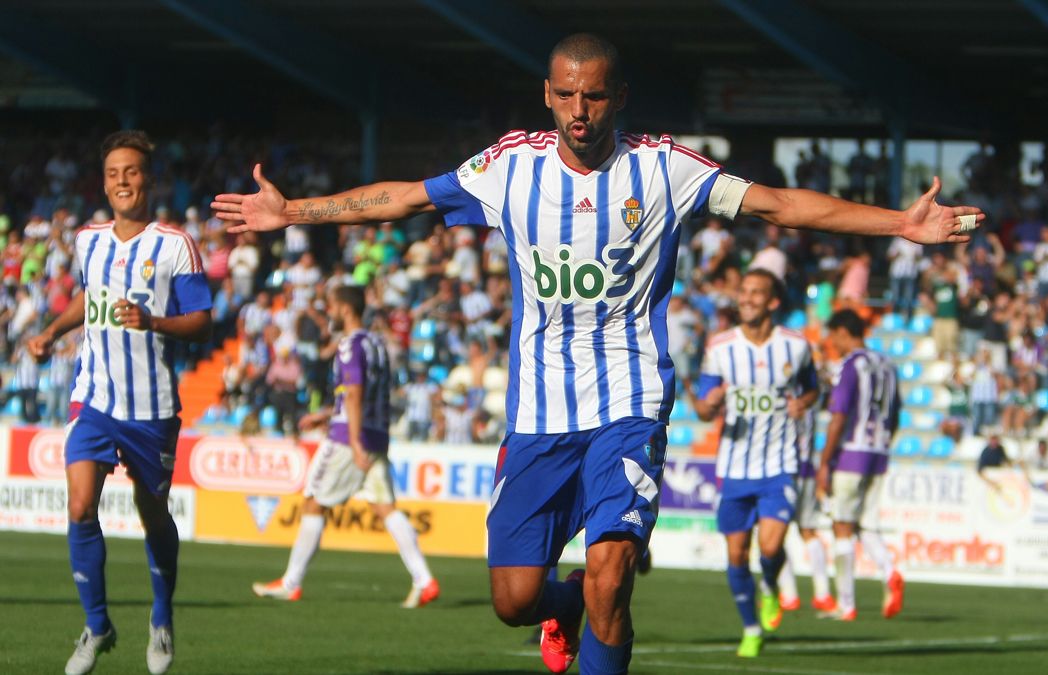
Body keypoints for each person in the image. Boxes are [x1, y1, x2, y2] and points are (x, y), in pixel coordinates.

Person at [212, 34, 981, 674]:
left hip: (629, 401)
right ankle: (565, 602)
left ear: (620, 98)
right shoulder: (509, 167)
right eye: (568, 95)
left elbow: (780, 204)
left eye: (597, 96)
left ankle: (595, 600)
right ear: (548, 95)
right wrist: (295, 213)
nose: (582, 111)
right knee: (515, 598)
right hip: (540, 413)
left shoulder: (664, 168)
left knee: (615, 575)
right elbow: (406, 196)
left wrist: (898, 225)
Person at [27, 130, 213, 675]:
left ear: (149, 180)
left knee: (152, 515)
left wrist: (152, 320)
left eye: (131, 172)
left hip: (151, 408)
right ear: (104, 183)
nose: (122, 182)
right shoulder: (88, 239)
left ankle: (160, 617)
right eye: (113, 174)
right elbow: (89, 298)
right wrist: (50, 332)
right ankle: (97, 625)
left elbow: (202, 323)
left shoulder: (175, 244)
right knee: (81, 506)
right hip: (94, 399)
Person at [252, 285, 439, 608]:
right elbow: (363, 393)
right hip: (377, 433)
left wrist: (352, 440)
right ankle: (424, 580)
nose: (330, 313)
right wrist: (326, 413)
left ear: (346, 309)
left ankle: (291, 582)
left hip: (348, 438)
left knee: (313, 502)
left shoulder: (350, 345)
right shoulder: (377, 344)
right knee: (385, 507)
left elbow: (353, 394)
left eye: (333, 307)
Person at [693, 269, 819, 658]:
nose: (745, 299)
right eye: (743, 292)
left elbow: (812, 387)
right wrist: (709, 404)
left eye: (755, 293)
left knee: (770, 547)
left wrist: (805, 401)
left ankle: (770, 584)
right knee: (735, 555)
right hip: (734, 468)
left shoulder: (795, 346)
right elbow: (700, 406)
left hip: (779, 463)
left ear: (773, 302)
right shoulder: (720, 346)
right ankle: (750, 628)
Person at [815, 309, 904, 622]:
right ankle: (890, 571)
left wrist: (825, 462)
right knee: (864, 523)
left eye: (832, 335)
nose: (831, 342)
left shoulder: (850, 364)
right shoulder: (888, 365)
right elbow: (895, 416)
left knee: (841, 526)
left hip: (851, 452)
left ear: (843, 331)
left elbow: (838, 416)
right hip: (878, 452)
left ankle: (847, 604)